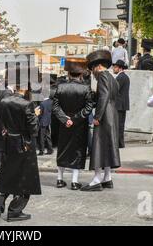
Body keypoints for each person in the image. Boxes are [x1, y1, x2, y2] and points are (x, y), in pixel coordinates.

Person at [0, 68, 41, 222]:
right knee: (26, 178)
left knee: (7, 175)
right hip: (23, 143)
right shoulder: (27, 104)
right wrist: (36, 116)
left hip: (8, 142)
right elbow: (34, 130)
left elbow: (3, 122)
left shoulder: (4, 101)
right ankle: (15, 210)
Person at [81, 50, 121, 192]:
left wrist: (97, 117)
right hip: (112, 115)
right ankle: (107, 178)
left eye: (92, 69)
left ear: (97, 66)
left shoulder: (102, 76)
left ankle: (97, 179)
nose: (92, 72)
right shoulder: (112, 78)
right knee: (107, 146)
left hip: (104, 115)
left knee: (98, 147)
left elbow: (103, 97)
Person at [52, 58, 94, 190]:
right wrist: (75, 119)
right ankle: (74, 182)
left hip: (64, 124)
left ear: (69, 73)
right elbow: (88, 108)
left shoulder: (60, 87)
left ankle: (60, 179)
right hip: (79, 124)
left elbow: (55, 106)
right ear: (81, 74)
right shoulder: (86, 88)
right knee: (78, 151)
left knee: (62, 150)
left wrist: (65, 119)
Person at [113, 60, 130, 148]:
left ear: (120, 68)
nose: (113, 68)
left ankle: (119, 143)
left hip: (119, 105)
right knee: (120, 124)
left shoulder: (120, 77)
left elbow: (115, 90)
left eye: (115, 67)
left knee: (118, 124)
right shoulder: (125, 77)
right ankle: (120, 142)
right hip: (123, 104)